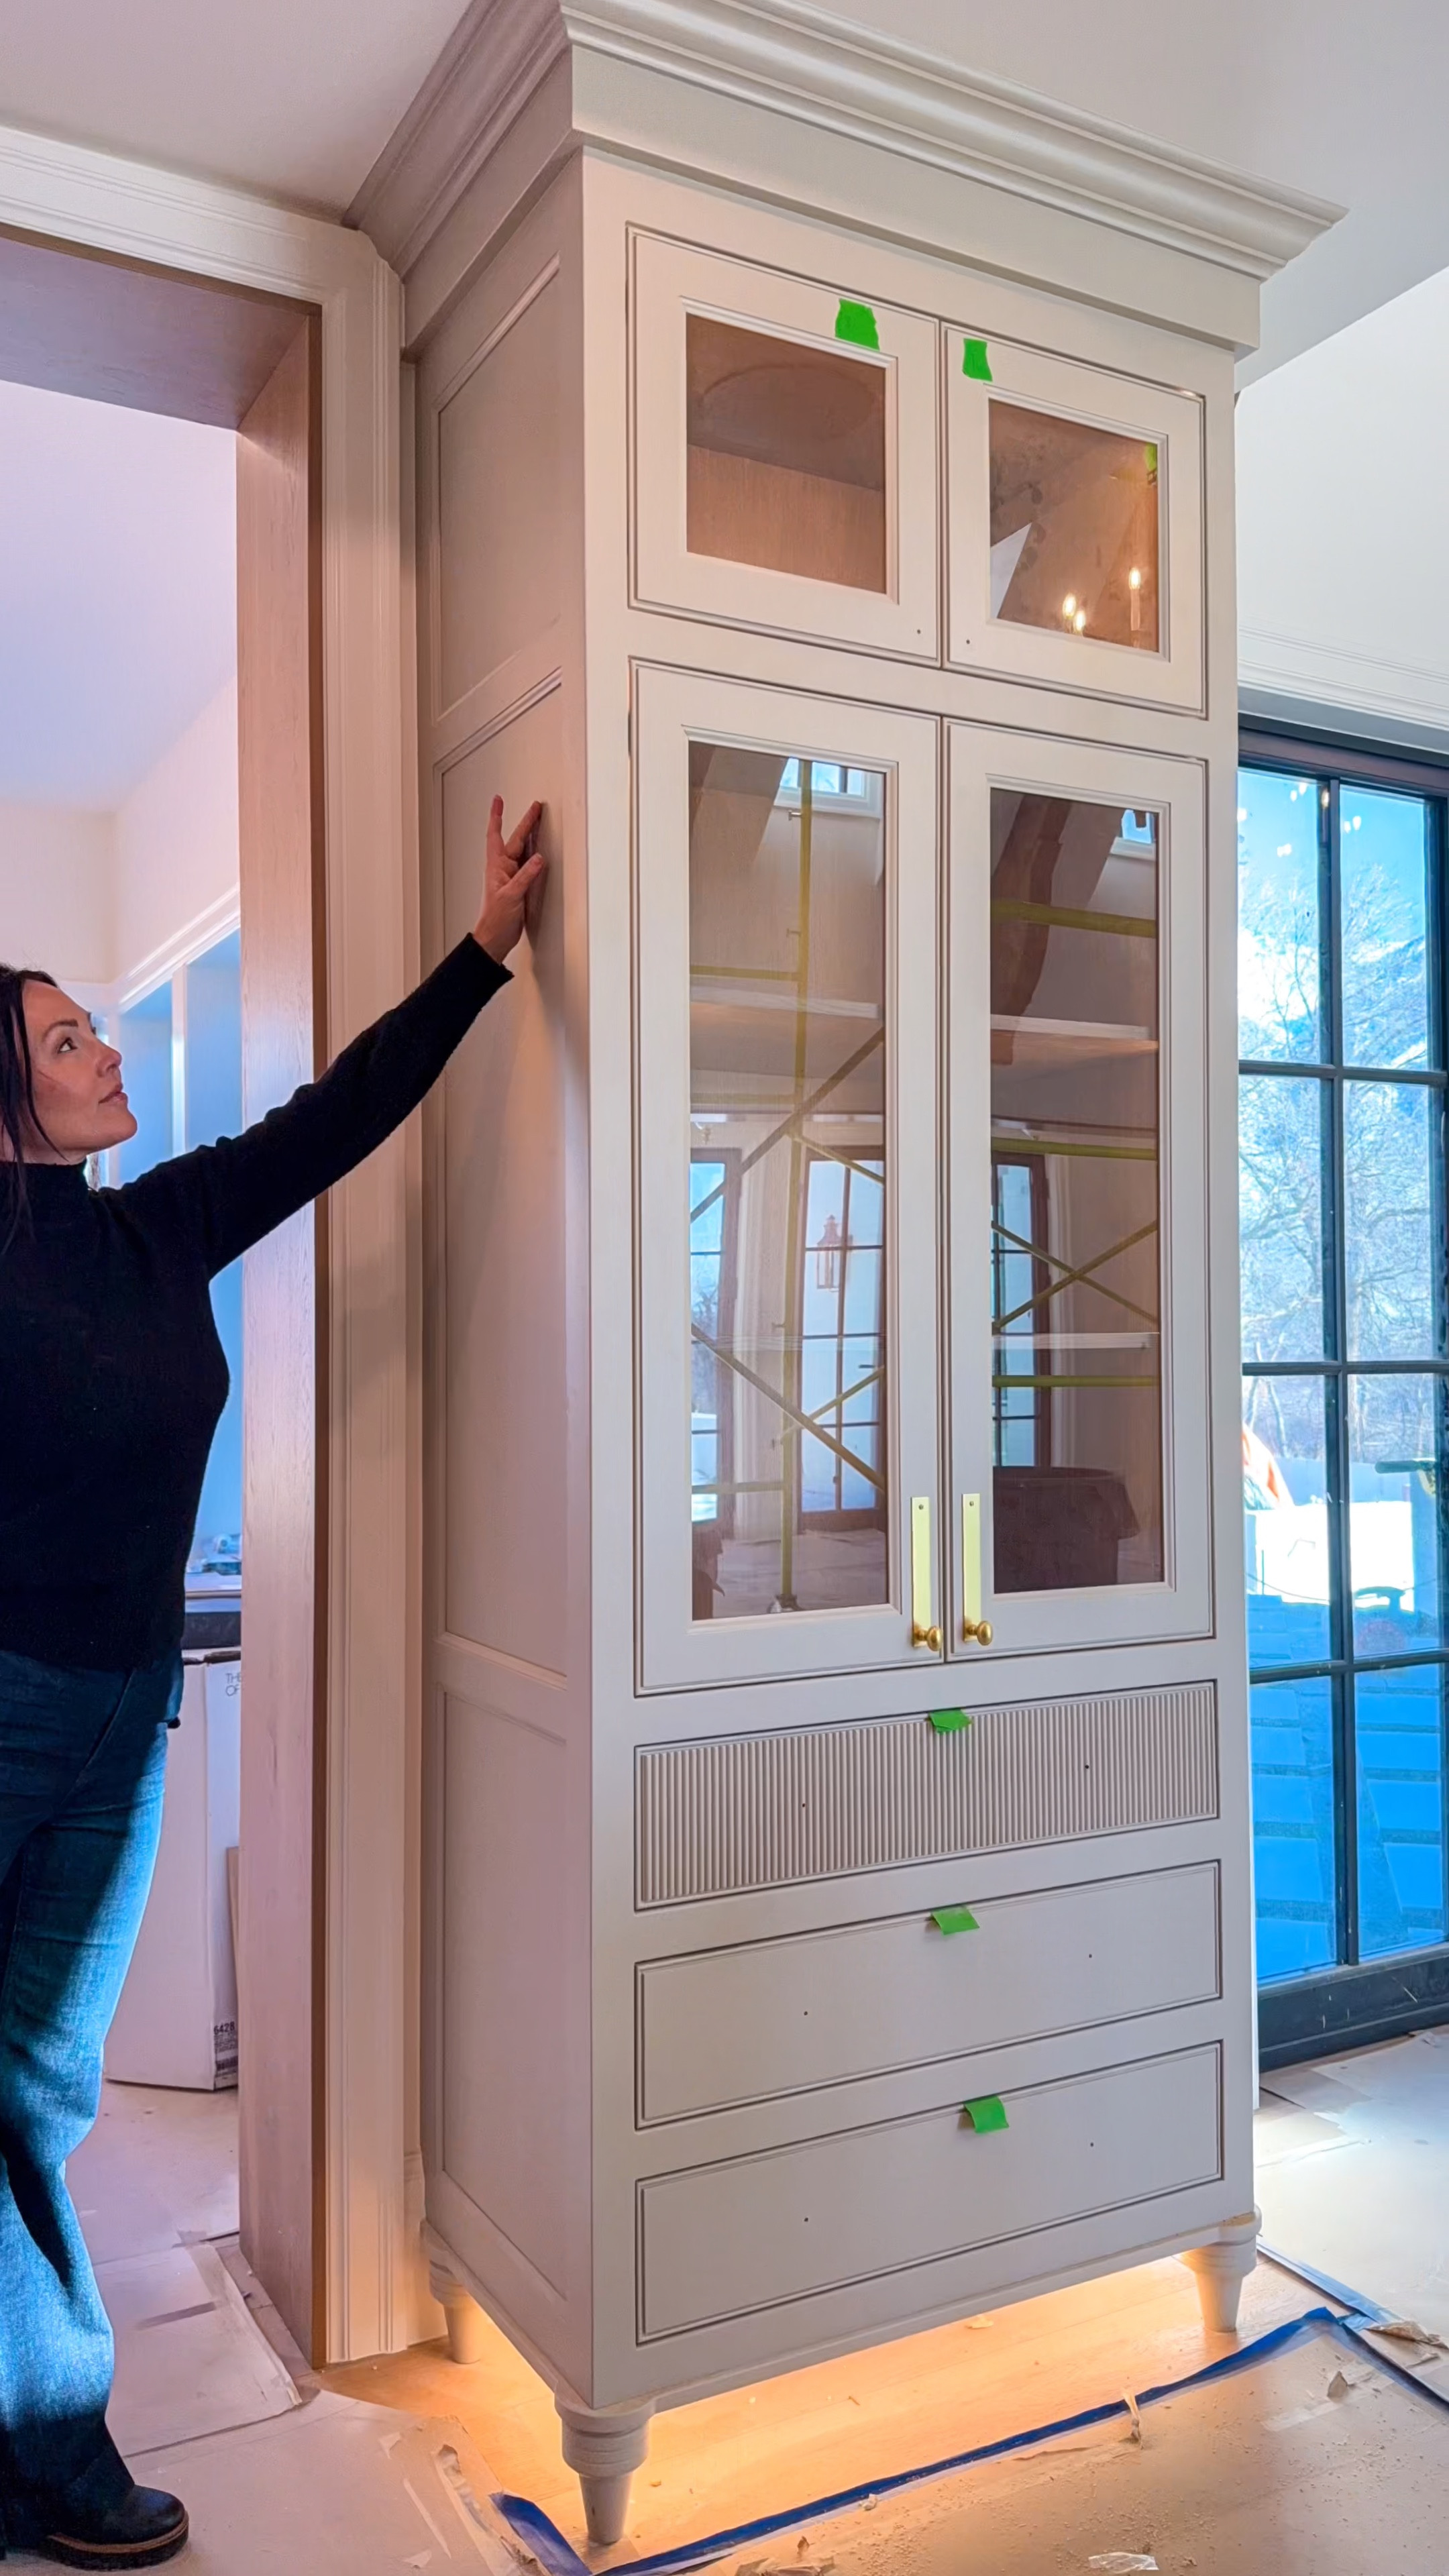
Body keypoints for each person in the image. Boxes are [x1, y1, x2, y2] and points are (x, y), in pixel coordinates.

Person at [0, 795, 544, 2569]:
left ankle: (31, 2424)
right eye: (66, 1040)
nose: (98, 1054)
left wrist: (484, 947)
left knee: (35, 2087)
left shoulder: (157, 1229)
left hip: (120, 1721)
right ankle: (58, 2433)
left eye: (91, 1028)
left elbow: (341, 1116)